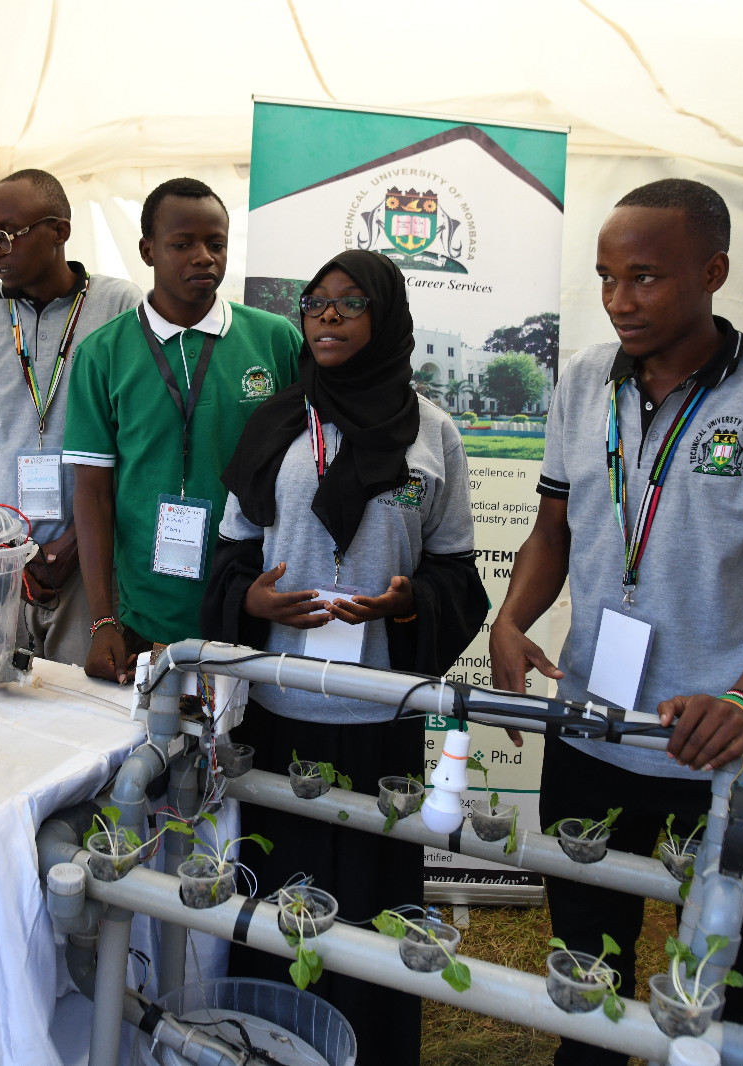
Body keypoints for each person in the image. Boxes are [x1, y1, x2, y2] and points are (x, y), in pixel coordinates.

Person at [491, 178, 743, 1066]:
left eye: (645, 277)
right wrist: (511, 618)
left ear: (714, 271)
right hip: (593, 733)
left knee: (729, 985)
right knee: (587, 967)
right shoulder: (584, 380)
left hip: (724, 750)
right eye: (608, 278)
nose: (620, 301)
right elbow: (552, 529)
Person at [201, 249, 487, 1065]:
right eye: (314, 304)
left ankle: (371, 1050)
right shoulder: (274, 425)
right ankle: (266, 1047)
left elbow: (456, 571)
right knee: (278, 907)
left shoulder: (435, 432)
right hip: (281, 710)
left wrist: (409, 604)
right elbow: (229, 557)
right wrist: (253, 600)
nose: (326, 317)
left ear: (387, 318)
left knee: (370, 913)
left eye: (349, 303)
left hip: (381, 720)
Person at [63, 177, 302, 681]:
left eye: (216, 244)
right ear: (147, 250)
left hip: (254, 606)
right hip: (144, 620)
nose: (203, 257)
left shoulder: (276, 340)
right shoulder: (102, 354)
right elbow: (93, 493)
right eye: (182, 244)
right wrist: (102, 619)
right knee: (156, 754)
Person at [0, 169, 141, 666]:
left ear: (60, 231)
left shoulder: (121, 307)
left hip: (92, 562)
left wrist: (79, 541)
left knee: (82, 710)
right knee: (3, 706)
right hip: (2, 565)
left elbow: (138, 445)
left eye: (7, 234)